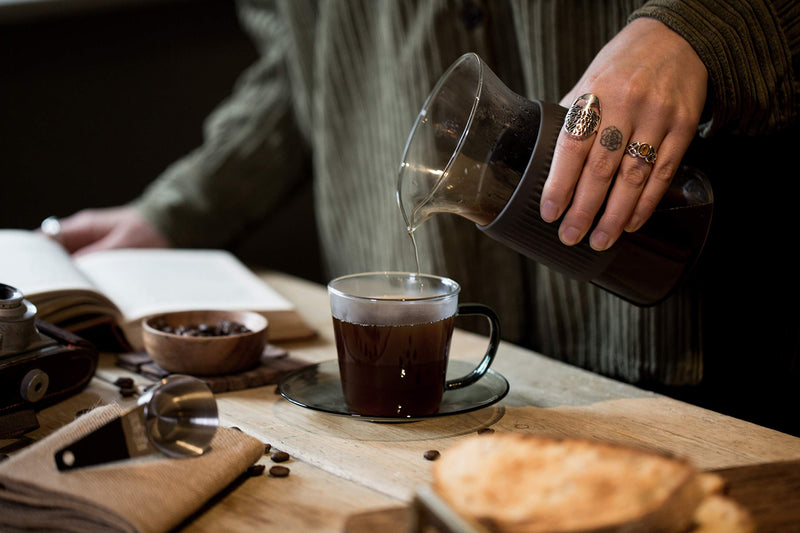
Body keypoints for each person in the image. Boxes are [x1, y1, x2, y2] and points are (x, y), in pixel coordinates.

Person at [52, 1, 799, 435]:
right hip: (408, 382)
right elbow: (297, 66)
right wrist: (173, 213)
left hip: (682, 316)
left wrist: (701, 25)